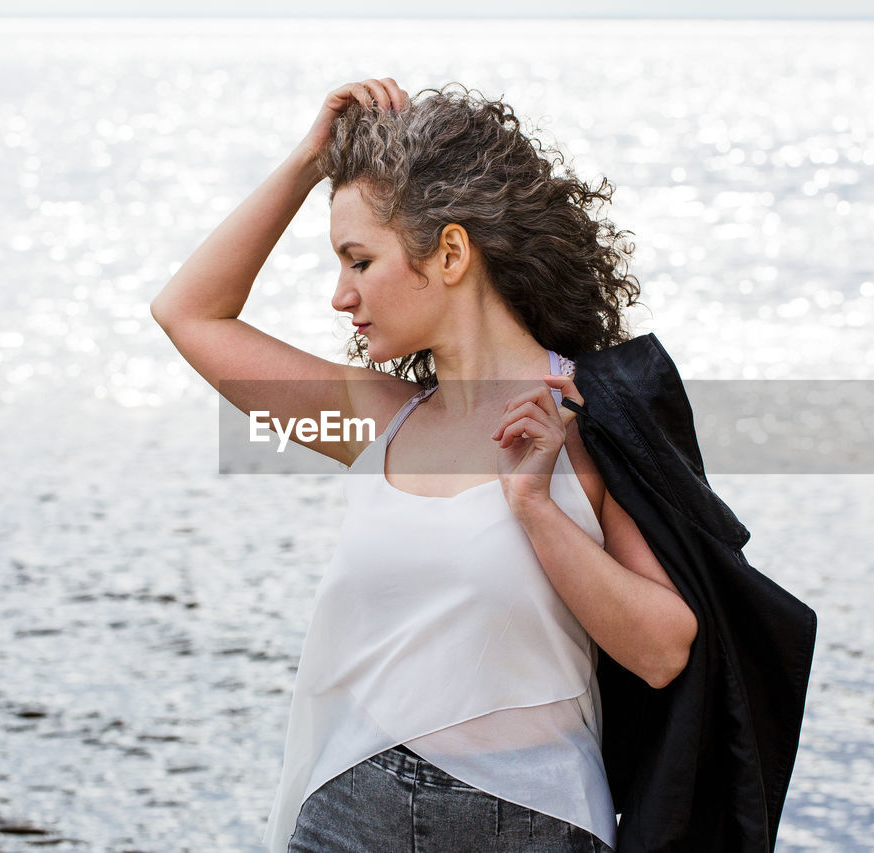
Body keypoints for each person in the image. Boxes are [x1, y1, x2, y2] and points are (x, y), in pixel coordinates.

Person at [150, 78, 699, 853]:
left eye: (359, 260)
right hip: (348, 813)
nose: (341, 296)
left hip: (533, 821)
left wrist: (537, 508)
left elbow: (664, 647)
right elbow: (189, 312)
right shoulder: (380, 421)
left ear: (449, 252)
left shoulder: (595, 412)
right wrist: (311, 162)